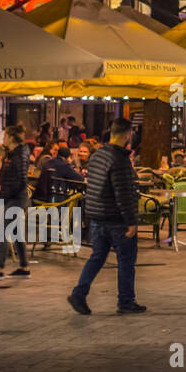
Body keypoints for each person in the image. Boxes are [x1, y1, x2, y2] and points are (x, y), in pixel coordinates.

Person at [69, 118, 145, 315]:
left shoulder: (97, 156)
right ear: (127, 134)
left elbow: (92, 186)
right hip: (116, 218)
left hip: (97, 216)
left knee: (97, 256)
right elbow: (123, 193)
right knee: (126, 259)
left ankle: (79, 292)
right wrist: (131, 221)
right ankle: (126, 301)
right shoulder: (120, 160)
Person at [0, 123, 32, 279]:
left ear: (11, 137)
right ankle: (24, 267)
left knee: (4, 231)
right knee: (16, 233)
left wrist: (5, 195)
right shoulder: (18, 153)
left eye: (5, 135)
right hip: (18, 197)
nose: (3, 138)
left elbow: (19, 180)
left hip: (15, 199)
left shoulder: (18, 156)